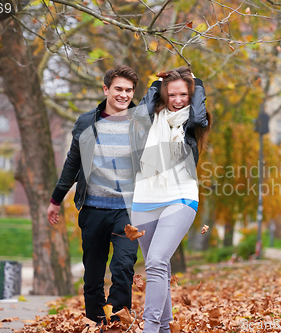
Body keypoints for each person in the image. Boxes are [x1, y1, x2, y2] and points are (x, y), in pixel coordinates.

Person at [47, 65, 139, 324]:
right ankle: (97, 323)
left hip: (128, 210)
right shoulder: (86, 122)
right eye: (118, 89)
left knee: (123, 268)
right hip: (93, 209)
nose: (124, 95)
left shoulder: (141, 123)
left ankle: (117, 323)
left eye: (129, 90)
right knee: (93, 276)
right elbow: (72, 163)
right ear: (106, 89)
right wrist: (56, 200)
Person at [129, 66, 211, 333]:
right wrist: (156, 83)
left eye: (184, 95)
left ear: (191, 94)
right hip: (144, 197)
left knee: (156, 261)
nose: (178, 100)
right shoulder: (151, 118)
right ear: (164, 94)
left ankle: (150, 328)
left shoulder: (191, 121)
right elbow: (140, 112)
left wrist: (196, 82)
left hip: (181, 195)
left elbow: (199, 115)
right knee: (158, 268)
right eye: (172, 94)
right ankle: (163, 329)